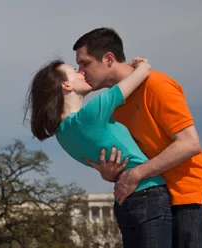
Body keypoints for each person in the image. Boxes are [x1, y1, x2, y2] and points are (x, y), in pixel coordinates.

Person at [72, 27, 202, 248]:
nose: (81, 71)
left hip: (191, 196)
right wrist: (114, 174)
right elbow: (136, 158)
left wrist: (137, 174)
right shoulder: (114, 106)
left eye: (84, 63)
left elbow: (190, 143)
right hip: (156, 202)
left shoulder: (156, 84)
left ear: (108, 59)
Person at [25, 56, 172, 248]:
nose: (82, 72)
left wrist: (110, 176)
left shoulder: (63, 135)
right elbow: (143, 72)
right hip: (149, 192)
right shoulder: (91, 114)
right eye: (75, 72)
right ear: (66, 85)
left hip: (124, 201)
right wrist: (139, 64)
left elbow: (107, 163)